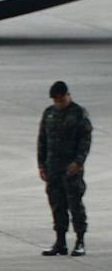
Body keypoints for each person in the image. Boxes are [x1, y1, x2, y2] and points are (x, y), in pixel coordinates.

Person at [37, 80, 93, 256]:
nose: (58, 103)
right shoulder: (49, 113)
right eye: (56, 100)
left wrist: (78, 162)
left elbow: (85, 141)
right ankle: (60, 242)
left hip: (71, 168)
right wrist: (41, 165)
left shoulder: (79, 114)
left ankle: (80, 241)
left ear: (68, 95)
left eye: (61, 99)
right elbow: (42, 140)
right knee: (57, 205)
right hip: (53, 167)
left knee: (75, 205)